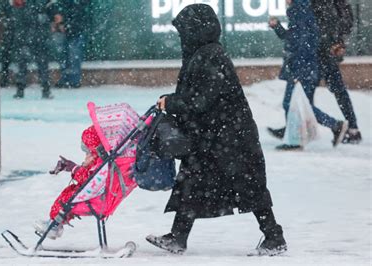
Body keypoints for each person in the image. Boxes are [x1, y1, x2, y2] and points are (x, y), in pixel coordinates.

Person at [147, 4, 287, 256]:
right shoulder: (202, 53)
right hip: (214, 136)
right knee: (192, 181)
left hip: (230, 138)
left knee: (248, 187)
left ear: (195, 31)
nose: (182, 37)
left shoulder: (210, 55)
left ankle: (274, 237)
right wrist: (173, 100)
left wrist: (172, 102)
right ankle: (178, 238)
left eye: (184, 31)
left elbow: (201, 100)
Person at [268, 0, 361, 144]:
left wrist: (336, 41)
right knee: (304, 96)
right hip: (316, 51)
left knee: (324, 93)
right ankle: (295, 129)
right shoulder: (305, 7)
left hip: (320, 52)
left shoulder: (307, 7)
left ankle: (346, 127)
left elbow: (339, 18)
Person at [33, 125, 101, 239]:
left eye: (88, 151)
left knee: (64, 201)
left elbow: (90, 180)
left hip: (92, 200)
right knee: (66, 196)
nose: (87, 154)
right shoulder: (102, 162)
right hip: (94, 197)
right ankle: (54, 223)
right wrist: (76, 167)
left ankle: (54, 226)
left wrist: (75, 168)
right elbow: (91, 178)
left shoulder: (100, 163)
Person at [10, 0, 53, 99]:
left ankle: (43, 89)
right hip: (30, 33)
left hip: (34, 33)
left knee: (32, 62)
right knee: (26, 62)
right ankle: (42, 89)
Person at [47, 0, 90, 88]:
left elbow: (79, 9)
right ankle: (68, 78)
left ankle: (72, 80)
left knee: (73, 54)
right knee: (64, 54)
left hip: (73, 27)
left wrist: (62, 21)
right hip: (64, 27)